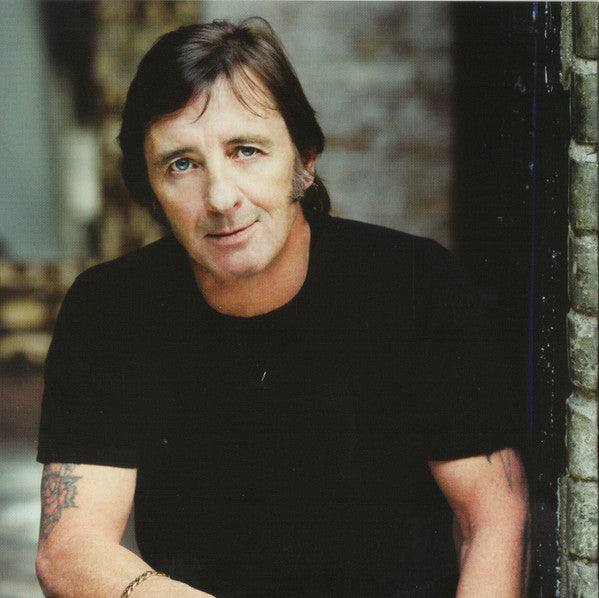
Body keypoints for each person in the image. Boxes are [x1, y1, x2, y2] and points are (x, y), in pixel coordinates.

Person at [36, 17, 529, 598]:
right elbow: (69, 550)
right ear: (149, 187)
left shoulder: (416, 285)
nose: (221, 198)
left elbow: (491, 520)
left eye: (246, 151)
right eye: (181, 164)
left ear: (305, 159)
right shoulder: (110, 309)